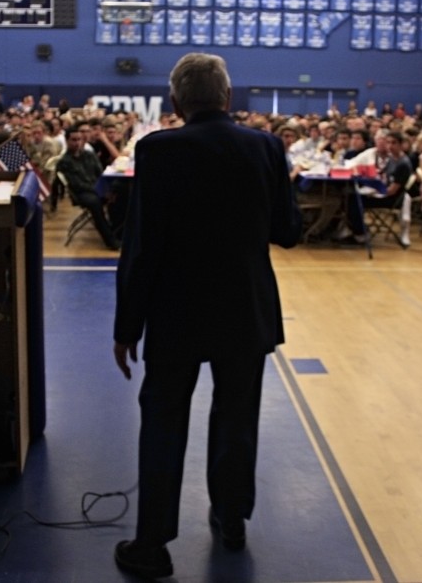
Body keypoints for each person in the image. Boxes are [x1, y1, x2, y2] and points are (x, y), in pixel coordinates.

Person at [112, 53, 301, 580]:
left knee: (164, 420)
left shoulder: (156, 150)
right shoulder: (266, 146)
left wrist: (127, 327)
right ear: (228, 98)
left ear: (176, 102)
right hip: (245, 308)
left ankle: (152, 544)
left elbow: (141, 247)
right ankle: (232, 518)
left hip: (176, 312)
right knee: (237, 418)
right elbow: (288, 231)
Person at [56, 129, 120, 250]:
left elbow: (100, 173)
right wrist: (101, 192)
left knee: (120, 192)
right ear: (67, 141)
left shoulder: (90, 155)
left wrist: (107, 190)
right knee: (95, 203)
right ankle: (110, 240)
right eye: (73, 140)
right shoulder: (64, 162)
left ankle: (119, 232)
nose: (77, 143)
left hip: (98, 188)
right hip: (81, 194)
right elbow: (77, 185)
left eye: (79, 139)